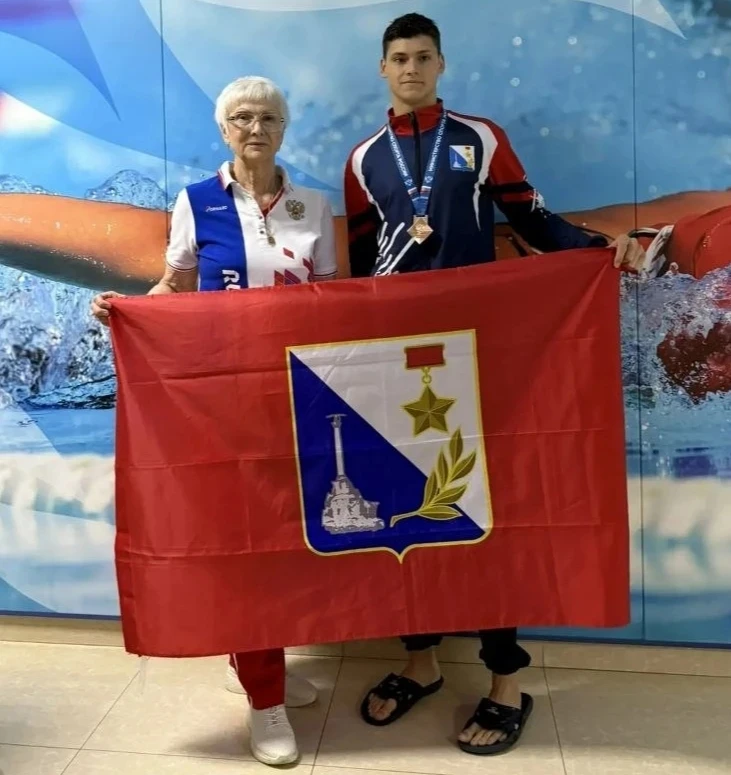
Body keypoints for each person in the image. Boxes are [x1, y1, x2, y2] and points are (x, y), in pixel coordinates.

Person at [343, 13, 645, 757]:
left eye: (422, 57)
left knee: (482, 511)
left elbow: (532, 221)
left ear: (440, 65)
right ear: (381, 69)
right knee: (405, 510)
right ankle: (420, 660)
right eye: (398, 58)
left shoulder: (479, 138)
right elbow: (360, 267)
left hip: (472, 355)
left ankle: (506, 678)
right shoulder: (362, 160)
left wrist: (598, 250)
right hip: (395, 360)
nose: (410, 68)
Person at [92, 75, 338, 767]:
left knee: (290, 541)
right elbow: (174, 284)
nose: (256, 128)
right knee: (246, 544)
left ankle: (262, 659)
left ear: (283, 128)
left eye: (268, 117)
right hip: (225, 404)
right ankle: (264, 696)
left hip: (297, 398)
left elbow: (334, 301)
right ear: (224, 129)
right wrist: (127, 311)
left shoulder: (314, 207)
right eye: (242, 118)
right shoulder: (196, 202)